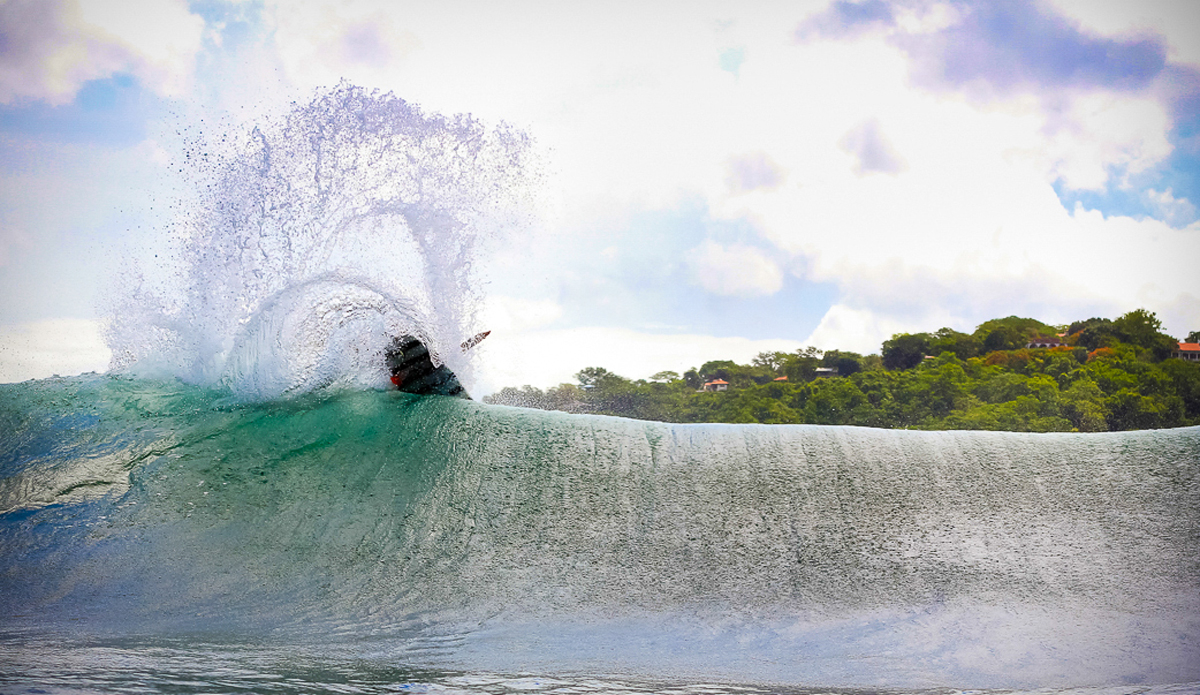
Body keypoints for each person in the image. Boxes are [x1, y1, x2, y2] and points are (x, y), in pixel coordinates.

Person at [384, 335, 468, 398]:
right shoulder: (392, 352)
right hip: (432, 393)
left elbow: (452, 352)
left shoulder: (414, 343)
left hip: (442, 390)